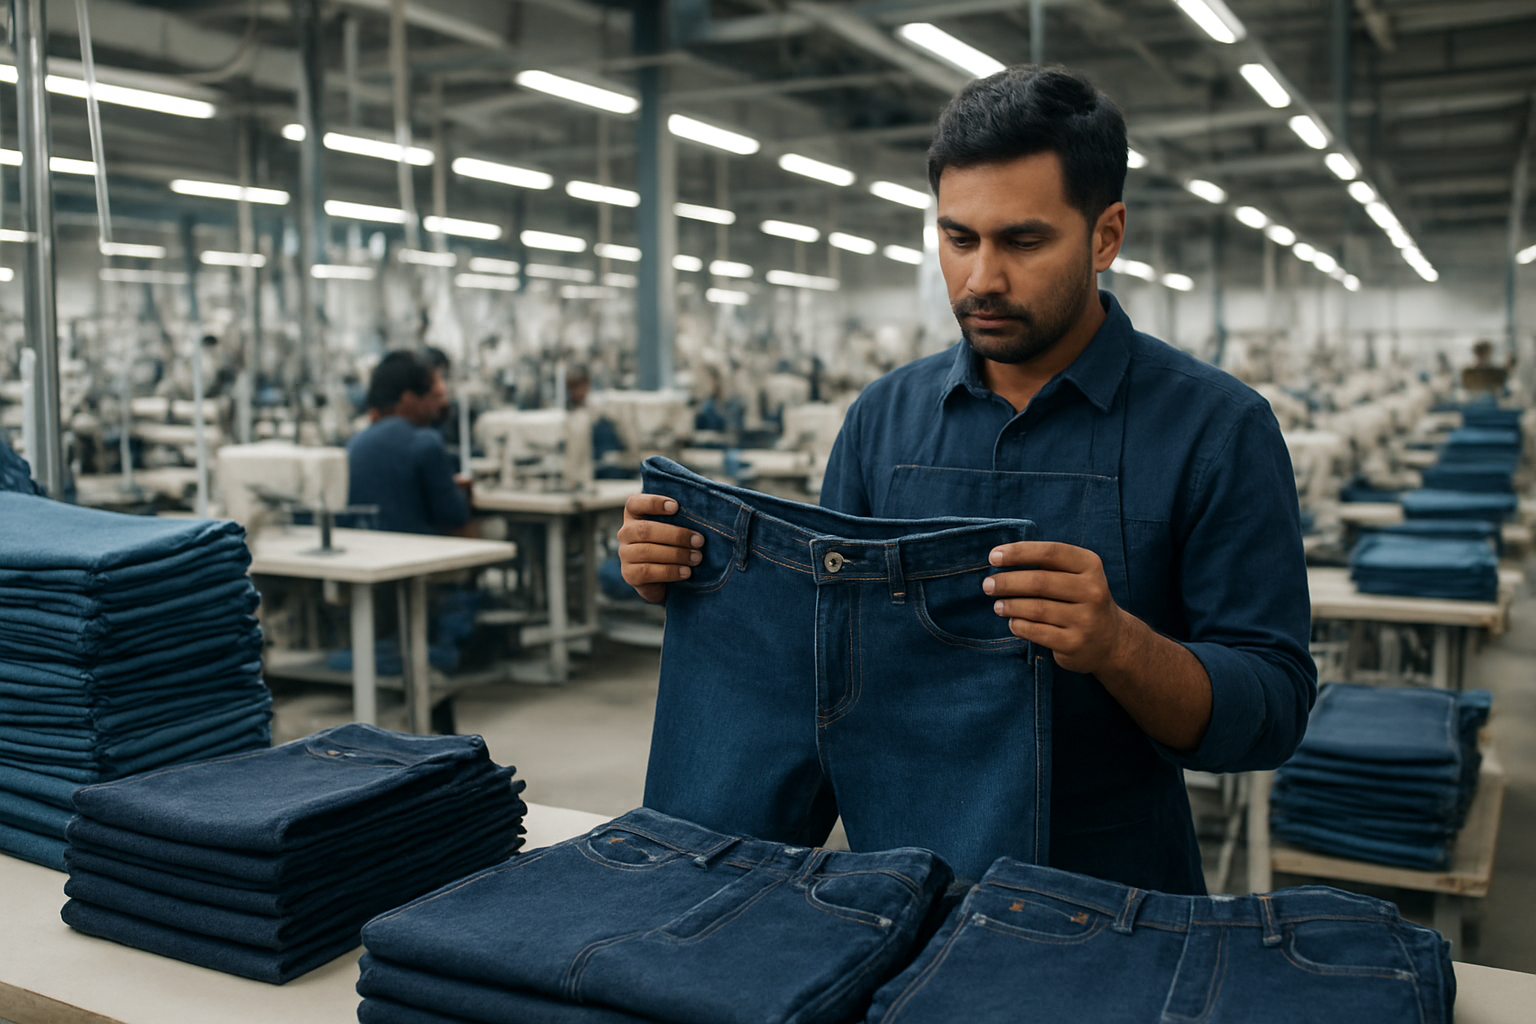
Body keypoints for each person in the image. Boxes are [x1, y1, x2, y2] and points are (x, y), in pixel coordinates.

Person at [616, 66, 1315, 894]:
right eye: (958, 239)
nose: (982, 278)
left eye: (1023, 241)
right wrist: (700, 584)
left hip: (1112, 899)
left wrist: (1118, 645)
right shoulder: (882, 421)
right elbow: (821, 662)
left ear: (1106, 236)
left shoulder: (1217, 430)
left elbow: (1272, 708)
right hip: (905, 889)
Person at [348, 350, 472, 536]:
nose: (435, 406)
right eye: (431, 397)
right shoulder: (425, 442)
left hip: (368, 548)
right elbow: (454, 517)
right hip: (419, 550)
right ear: (408, 399)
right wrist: (460, 493)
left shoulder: (354, 445)